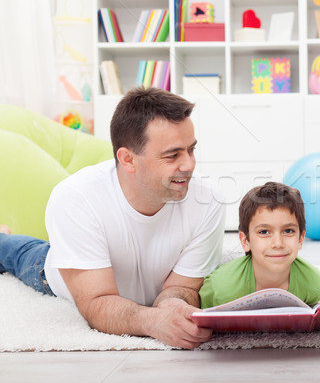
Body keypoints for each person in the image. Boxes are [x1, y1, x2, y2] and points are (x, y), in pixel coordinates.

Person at [0, 87, 225, 349]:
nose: (189, 165)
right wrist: (152, 321)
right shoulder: (75, 197)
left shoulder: (209, 201)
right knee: (20, 253)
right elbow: (96, 303)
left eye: (191, 150)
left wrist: (173, 308)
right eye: (173, 155)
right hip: (55, 272)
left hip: (91, 254)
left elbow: (183, 288)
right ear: (128, 159)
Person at [200, 182, 320, 308]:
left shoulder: (314, 285)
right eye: (264, 232)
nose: (278, 243)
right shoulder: (220, 289)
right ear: (245, 241)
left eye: (288, 231)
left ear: (300, 239)